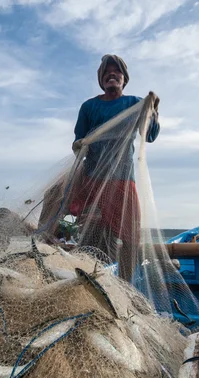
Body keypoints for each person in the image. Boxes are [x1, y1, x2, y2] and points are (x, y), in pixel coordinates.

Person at [69, 54, 160, 283]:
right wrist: (78, 145)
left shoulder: (133, 104)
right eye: (107, 72)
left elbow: (148, 135)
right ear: (101, 79)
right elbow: (78, 142)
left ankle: (126, 285)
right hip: (92, 179)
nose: (112, 74)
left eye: (117, 71)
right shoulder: (89, 107)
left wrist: (154, 111)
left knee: (130, 236)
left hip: (122, 178)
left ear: (124, 78)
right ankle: (89, 281)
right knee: (91, 234)